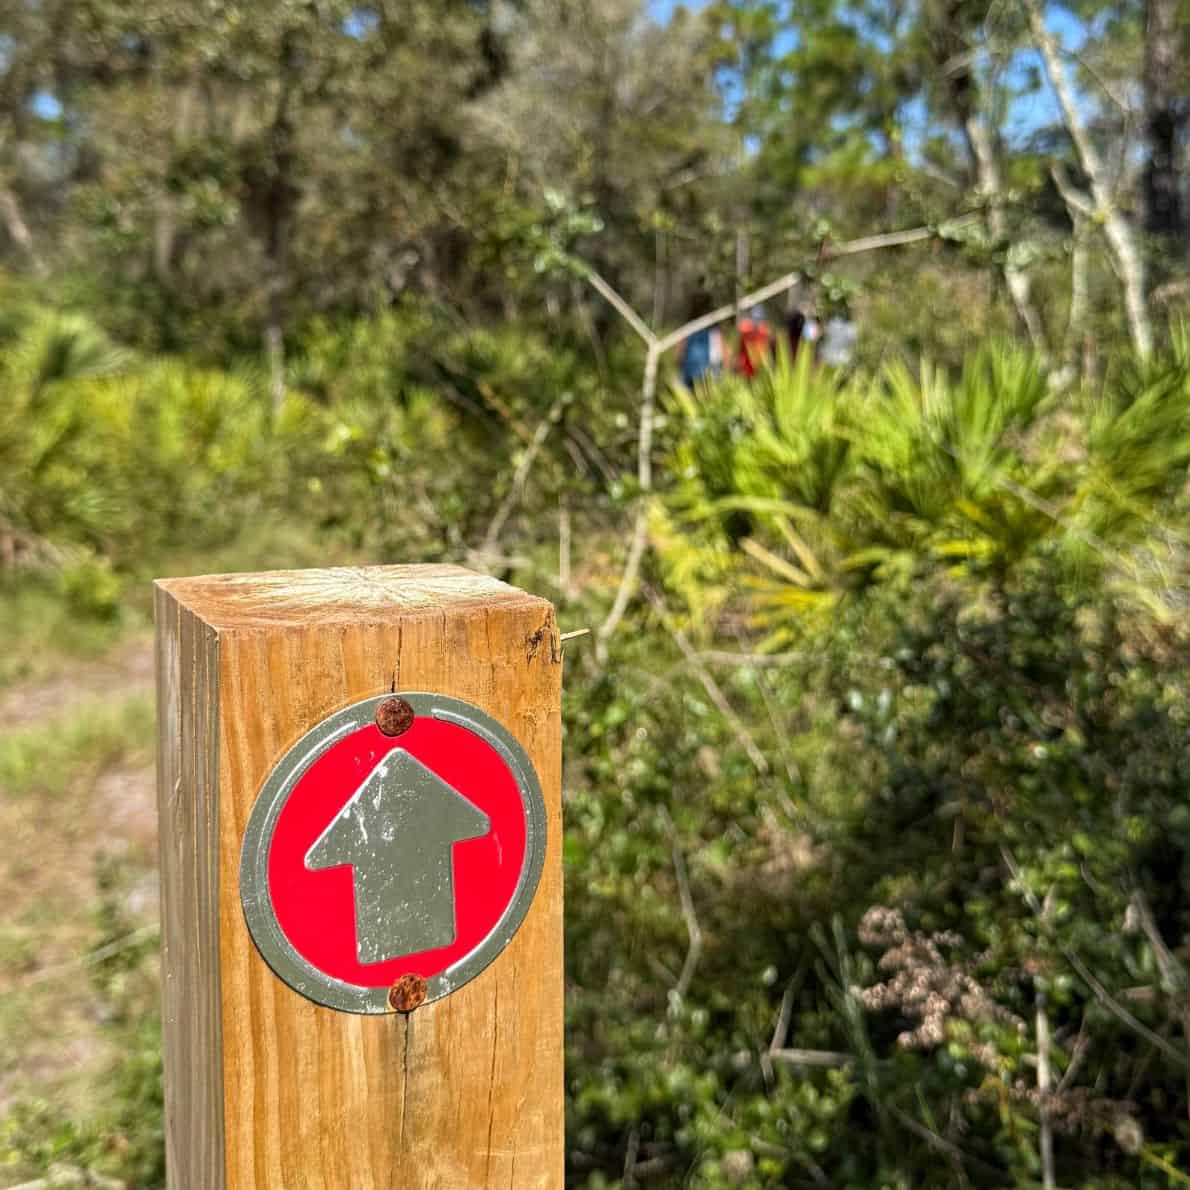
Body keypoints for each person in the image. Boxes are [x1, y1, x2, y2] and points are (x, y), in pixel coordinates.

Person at [677, 289, 726, 389]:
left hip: (696, 375)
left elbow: (678, 356)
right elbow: (722, 354)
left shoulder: (689, 328)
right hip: (705, 376)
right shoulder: (714, 329)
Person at [736, 304, 773, 378]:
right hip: (748, 367)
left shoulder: (764, 331)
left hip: (761, 366)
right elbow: (740, 349)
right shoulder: (746, 330)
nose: (757, 324)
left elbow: (768, 348)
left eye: (759, 320)